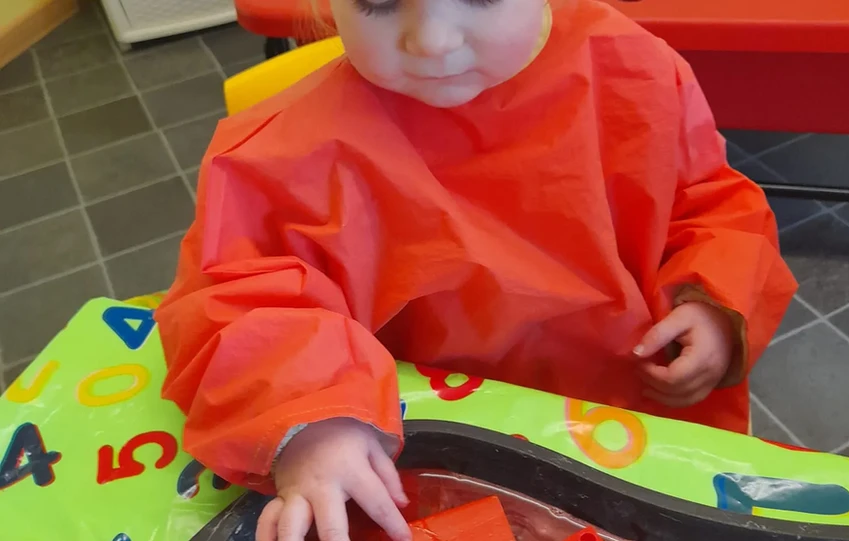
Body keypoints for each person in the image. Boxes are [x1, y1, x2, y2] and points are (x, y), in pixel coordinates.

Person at [154, 0, 798, 538]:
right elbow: (236, 302)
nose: (430, 40)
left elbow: (710, 203)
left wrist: (713, 299)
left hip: (636, 425)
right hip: (437, 457)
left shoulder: (637, 73)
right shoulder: (281, 153)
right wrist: (312, 420)